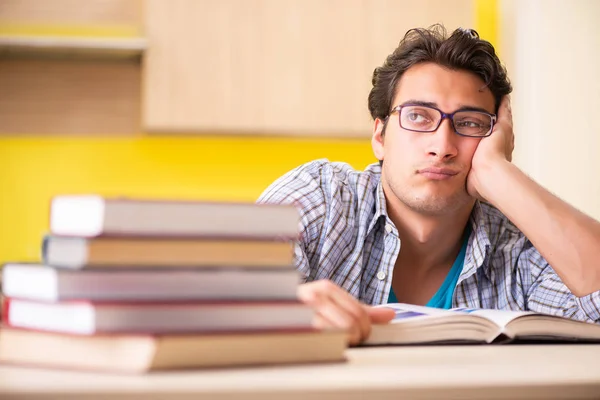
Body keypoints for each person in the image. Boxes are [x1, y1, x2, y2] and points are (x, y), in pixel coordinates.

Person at [257, 25, 600, 345]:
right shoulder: (323, 198)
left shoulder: (520, 244)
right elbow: (215, 303)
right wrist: (278, 312)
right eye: (419, 116)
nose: (442, 146)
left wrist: (499, 173)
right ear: (380, 136)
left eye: (470, 123)